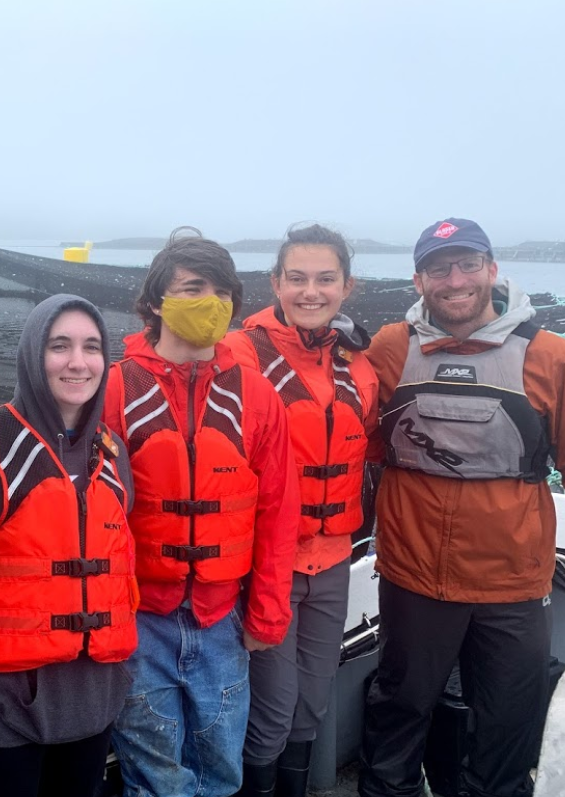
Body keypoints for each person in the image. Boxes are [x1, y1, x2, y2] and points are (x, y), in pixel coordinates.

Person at [358, 218, 565, 797]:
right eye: (438, 268)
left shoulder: (552, 357)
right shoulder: (389, 348)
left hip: (512, 582)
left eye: (467, 264)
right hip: (411, 579)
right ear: (419, 279)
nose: (454, 280)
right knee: (398, 712)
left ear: (492, 270)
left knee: (506, 724)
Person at [103, 228, 299, 797]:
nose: (209, 302)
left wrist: (266, 614)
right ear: (154, 302)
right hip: (141, 621)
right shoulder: (113, 390)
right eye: (192, 288)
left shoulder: (259, 397)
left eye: (221, 292)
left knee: (221, 769)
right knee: (153, 776)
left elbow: (278, 513)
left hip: (224, 622)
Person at [0, 294, 139, 797]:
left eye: (92, 346)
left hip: (94, 701)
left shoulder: (113, 455)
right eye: (60, 346)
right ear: (34, 354)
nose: (78, 362)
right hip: (1, 707)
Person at [224, 224, 379, 797]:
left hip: (334, 560)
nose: (310, 291)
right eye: (297, 278)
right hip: (266, 564)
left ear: (346, 286)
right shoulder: (236, 353)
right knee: (272, 707)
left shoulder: (361, 367)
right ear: (275, 284)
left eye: (325, 279)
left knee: (312, 704)